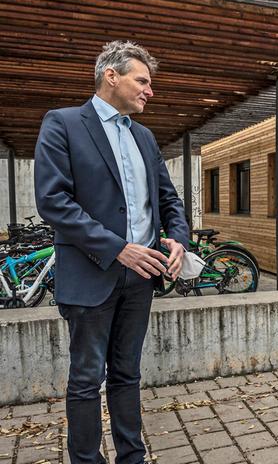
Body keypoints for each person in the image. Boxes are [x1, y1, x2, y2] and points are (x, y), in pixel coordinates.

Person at [34, 41, 189, 464]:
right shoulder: (63, 123)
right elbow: (53, 201)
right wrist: (118, 249)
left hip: (141, 277)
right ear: (111, 76)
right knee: (86, 379)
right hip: (91, 273)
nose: (149, 91)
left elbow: (169, 199)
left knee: (128, 375)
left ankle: (131, 457)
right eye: (143, 81)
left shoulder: (145, 136)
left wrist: (177, 237)